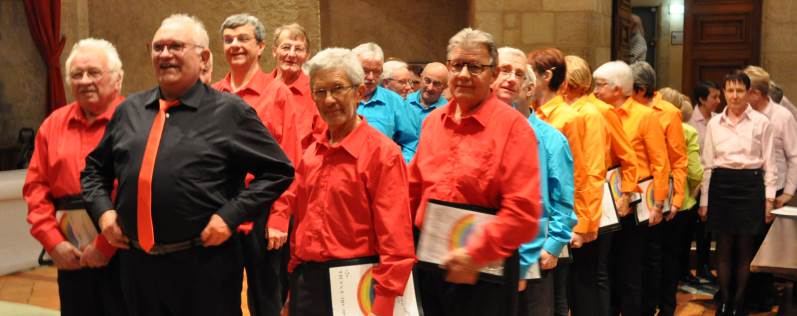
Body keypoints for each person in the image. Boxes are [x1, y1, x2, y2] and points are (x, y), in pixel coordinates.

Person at [80, 14, 295, 316]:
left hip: (204, 270)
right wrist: (104, 214)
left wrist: (230, 215)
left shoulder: (229, 112)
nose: (165, 54)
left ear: (204, 56)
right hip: (138, 269)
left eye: (176, 46)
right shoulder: (129, 110)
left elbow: (278, 170)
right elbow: (94, 171)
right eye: (158, 47)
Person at [268, 47, 415, 316]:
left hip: (358, 288)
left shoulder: (383, 155)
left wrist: (382, 306)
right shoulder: (311, 154)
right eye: (320, 91)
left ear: (359, 92)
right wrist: (293, 292)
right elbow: (302, 227)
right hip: (308, 285)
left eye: (338, 88)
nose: (329, 100)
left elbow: (396, 239)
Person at [409, 28, 542, 316]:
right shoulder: (433, 123)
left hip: (484, 271)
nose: (464, 74)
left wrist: (475, 254)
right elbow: (413, 188)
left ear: (493, 75)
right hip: (430, 263)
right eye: (457, 65)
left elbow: (523, 211)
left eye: (475, 67)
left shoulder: (514, 128)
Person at [24, 38, 127, 316]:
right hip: (71, 255)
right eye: (77, 74)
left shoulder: (135, 121)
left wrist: (105, 246)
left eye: (94, 72)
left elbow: (142, 191)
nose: (84, 81)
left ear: (117, 79)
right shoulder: (52, 125)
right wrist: (53, 243)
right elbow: (36, 189)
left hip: (128, 255)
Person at [211, 13, 301, 316]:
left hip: (263, 208)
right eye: (228, 39)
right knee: (221, 292)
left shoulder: (278, 94)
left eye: (243, 38)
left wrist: (279, 218)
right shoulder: (212, 94)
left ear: (262, 47)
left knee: (265, 298)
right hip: (221, 208)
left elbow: (290, 161)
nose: (235, 45)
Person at [492, 46, 577, 316]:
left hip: (533, 250)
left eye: (518, 75)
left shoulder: (551, 139)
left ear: (529, 90)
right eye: (503, 71)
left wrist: (552, 246)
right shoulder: (482, 130)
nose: (510, 80)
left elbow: (563, 199)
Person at [592, 60, 669, 316]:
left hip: (637, 200)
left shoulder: (644, 116)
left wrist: (659, 203)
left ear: (617, 89)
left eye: (600, 85)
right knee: (609, 264)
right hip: (607, 198)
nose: (595, 90)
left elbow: (660, 162)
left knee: (631, 265)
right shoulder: (599, 113)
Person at [563, 55, 638, 316]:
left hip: (598, 197)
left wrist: (626, 195)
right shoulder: (563, 109)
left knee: (595, 272)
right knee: (575, 274)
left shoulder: (601, 111)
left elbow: (628, 156)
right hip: (572, 197)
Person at [699, 70, 776, 316]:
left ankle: (739, 303)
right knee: (722, 246)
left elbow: (770, 165)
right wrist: (705, 201)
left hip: (750, 184)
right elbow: (707, 164)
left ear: (748, 92)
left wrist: (769, 199)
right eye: (730, 90)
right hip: (722, 183)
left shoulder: (762, 123)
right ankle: (724, 300)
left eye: (739, 90)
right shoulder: (714, 123)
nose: (734, 95)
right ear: (724, 93)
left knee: (745, 246)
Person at [628, 61, 687, 316]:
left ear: (641, 89)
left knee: (659, 258)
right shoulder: (626, 110)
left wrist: (676, 199)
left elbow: (678, 160)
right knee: (637, 259)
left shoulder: (669, 112)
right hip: (634, 194)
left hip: (659, 195)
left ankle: (663, 308)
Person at [743, 65, 797, 312]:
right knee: (747, 243)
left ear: (756, 92)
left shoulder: (782, 116)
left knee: (766, 246)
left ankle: (764, 296)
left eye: (744, 91)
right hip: (748, 189)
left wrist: (788, 193)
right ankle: (746, 293)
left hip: (775, 190)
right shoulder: (742, 114)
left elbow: (794, 156)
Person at [656, 87, 704, 316]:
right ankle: (667, 308)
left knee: (651, 257)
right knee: (672, 258)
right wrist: (693, 190)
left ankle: (650, 303)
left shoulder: (648, 122)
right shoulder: (687, 131)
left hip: (651, 201)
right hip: (680, 203)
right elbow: (694, 170)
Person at [352, 43, 419, 163]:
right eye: (365, 71)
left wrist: (399, 166)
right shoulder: (340, 97)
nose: (371, 77)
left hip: (382, 173)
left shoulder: (394, 101)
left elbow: (411, 142)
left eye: (377, 72)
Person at [688, 80, 721, 284]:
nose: (719, 101)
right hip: (694, 184)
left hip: (713, 180)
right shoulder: (690, 120)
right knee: (692, 228)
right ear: (701, 99)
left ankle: (704, 266)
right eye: (714, 97)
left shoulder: (718, 119)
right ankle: (688, 269)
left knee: (708, 229)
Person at [270, 22, 322, 150]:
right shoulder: (261, 88)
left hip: (300, 168)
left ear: (307, 55)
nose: (292, 54)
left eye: (298, 49)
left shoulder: (317, 92)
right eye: (286, 47)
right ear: (274, 51)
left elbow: (320, 142)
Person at [404, 62, 448, 161]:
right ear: (421, 78)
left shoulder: (448, 113)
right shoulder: (403, 103)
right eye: (427, 81)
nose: (430, 87)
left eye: (436, 84)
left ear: (445, 87)